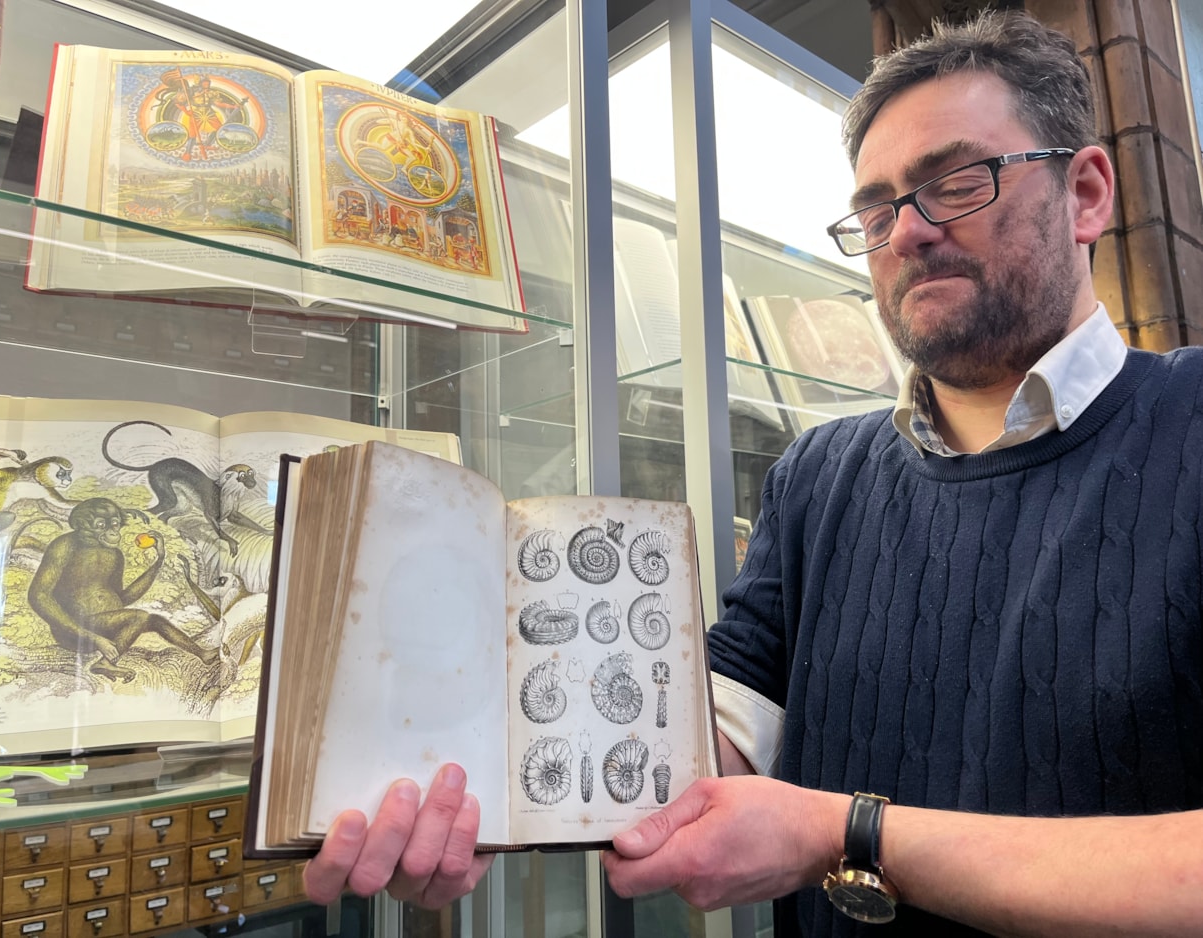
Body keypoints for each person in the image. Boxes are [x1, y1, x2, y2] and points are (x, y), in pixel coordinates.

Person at [301, 11, 1203, 936]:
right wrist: (481, 794)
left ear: (1086, 192)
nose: (908, 233)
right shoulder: (818, 475)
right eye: (877, 207)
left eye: (957, 184)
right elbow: (707, 740)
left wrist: (843, 834)